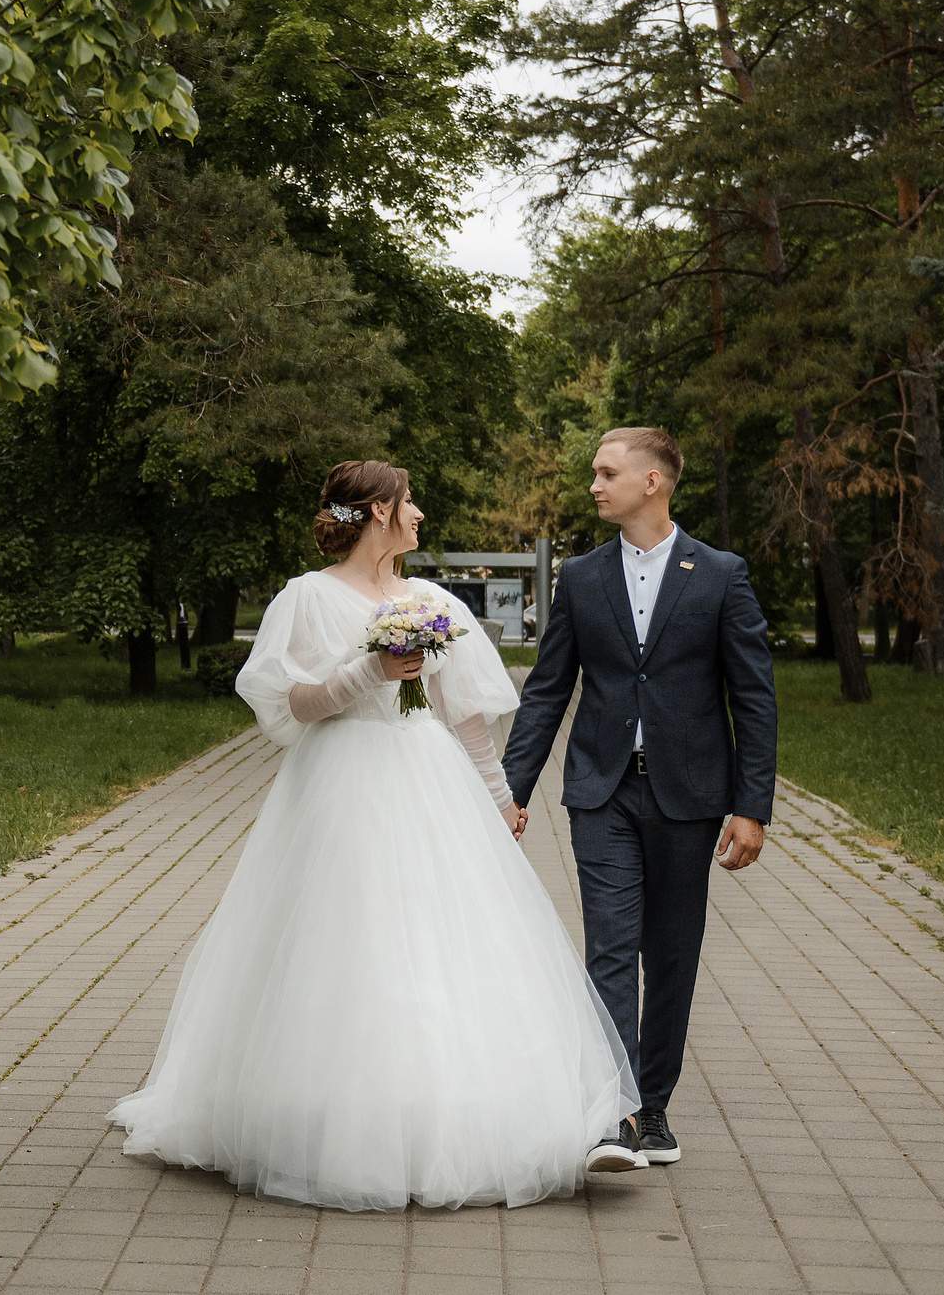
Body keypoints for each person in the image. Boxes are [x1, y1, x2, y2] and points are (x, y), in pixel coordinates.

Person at [110, 459, 636, 1209]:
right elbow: (293, 704)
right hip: (339, 783)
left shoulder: (431, 602)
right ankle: (327, 1112)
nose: (418, 513)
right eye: (408, 501)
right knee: (344, 936)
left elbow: (465, 718)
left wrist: (500, 800)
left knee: (439, 936)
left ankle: (443, 1108)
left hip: (428, 779)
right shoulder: (308, 597)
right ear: (380, 511)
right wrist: (369, 671)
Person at [503, 427, 778, 1173]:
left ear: (652, 481)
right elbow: (548, 689)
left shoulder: (720, 574)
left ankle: (653, 1102)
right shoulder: (581, 577)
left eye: (606, 472)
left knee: (673, 954)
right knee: (610, 948)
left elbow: (753, 696)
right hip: (603, 791)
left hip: (690, 797)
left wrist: (752, 806)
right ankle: (615, 1112)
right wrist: (511, 789)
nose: (594, 485)